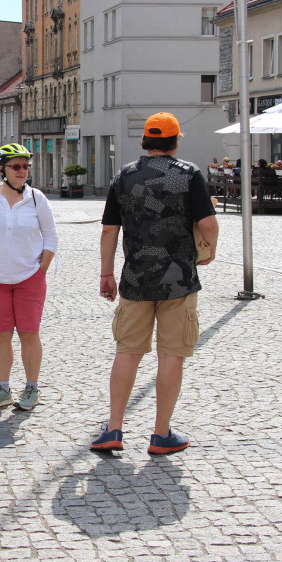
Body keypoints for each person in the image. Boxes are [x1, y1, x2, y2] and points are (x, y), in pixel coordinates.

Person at [92, 113, 218, 454]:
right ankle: (161, 435)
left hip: (135, 279)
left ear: (145, 142)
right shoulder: (188, 175)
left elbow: (108, 230)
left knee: (127, 352)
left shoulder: (124, 176)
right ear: (176, 141)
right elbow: (207, 223)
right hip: (179, 279)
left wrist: (107, 273)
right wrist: (210, 251)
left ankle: (114, 429)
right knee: (171, 355)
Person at [0, 143, 57, 412]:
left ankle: (32, 388)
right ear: (2, 169)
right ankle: (2, 389)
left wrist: (41, 268)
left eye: (26, 167)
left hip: (29, 277)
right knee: (0, 335)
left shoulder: (36, 199)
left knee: (29, 334)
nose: (23, 171)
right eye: (16, 166)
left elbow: (51, 236)